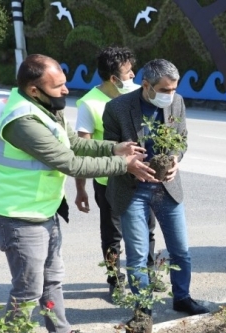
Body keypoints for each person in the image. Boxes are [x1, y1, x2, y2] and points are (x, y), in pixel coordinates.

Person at [0, 54, 152, 333]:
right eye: (58, 86)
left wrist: (112, 146)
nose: (65, 91)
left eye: (64, 83)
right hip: (17, 216)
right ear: (34, 89)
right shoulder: (23, 121)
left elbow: (72, 142)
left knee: (52, 279)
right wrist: (121, 164)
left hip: (42, 211)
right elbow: (69, 162)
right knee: (27, 289)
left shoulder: (44, 107)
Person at [103, 58, 208, 318]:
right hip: (132, 189)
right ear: (146, 85)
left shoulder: (178, 102)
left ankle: (182, 297)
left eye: (173, 89)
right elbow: (108, 149)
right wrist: (128, 165)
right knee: (138, 254)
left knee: (180, 250)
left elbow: (181, 140)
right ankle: (143, 307)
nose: (170, 95)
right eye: (164, 90)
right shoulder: (116, 108)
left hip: (167, 187)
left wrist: (175, 159)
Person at [73, 46, 162, 300]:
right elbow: (83, 150)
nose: (133, 74)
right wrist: (80, 189)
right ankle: (115, 281)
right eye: (128, 71)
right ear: (113, 78)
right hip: (108, 181)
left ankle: (148, 275)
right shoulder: (89, 104)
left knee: (147, 228)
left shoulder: (138, 92)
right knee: (113, 235)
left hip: (141, 177)